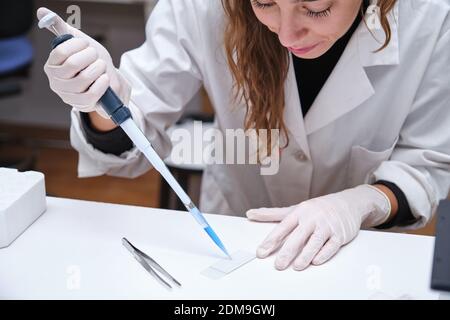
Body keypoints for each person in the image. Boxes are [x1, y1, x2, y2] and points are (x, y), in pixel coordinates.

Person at [37, 0, 450, 271]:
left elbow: (427, 164)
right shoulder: (201, 6)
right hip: (236, 231)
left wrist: (361, 204)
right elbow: (136, 128)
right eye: (265, 3)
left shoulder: (431, 17)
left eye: (317, 9)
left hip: (360, 254)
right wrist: (98, 102)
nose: (287, 36)